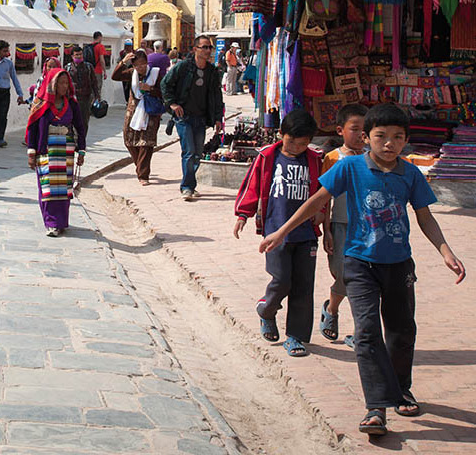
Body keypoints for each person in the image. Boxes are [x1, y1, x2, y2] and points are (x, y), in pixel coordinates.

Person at [261, 103, 465, 438]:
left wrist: (446, 252)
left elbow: (425, 216)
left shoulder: (410, 173)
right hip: (358, 263)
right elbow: (317, 200)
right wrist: (281, 231)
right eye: (381, 136)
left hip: (399, 264)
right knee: (367, 332)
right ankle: (375, 408)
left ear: (405, 141)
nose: (389, 143)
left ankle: (401, 389)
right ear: (366, 138)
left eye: (398, 137)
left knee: (401, 330)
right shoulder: (350, 168)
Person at [234, 109, 324, 358]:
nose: (296, 147)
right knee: (282, 280)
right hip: (275, 231)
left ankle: (296, 336)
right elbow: (251, 186)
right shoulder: (267, 157)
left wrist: (322, 212)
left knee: (304, 287)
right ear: (281, 134)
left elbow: (323, 191)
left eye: (303, 143)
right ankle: (267, 309)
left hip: (306, 233)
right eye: (292, 141)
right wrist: (243, 214)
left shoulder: (315, 159)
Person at [319, 104, 367, 347]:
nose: (361, 135)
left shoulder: (373, 157)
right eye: (355, 129)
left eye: (365, 130)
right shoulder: (333, 158)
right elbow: (324, 199)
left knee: (363, 278)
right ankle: (332, 309)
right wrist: (326, 230)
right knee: (341, 273)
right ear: (341, 130)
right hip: (340, 224)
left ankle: (362, 332)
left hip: (366, 227)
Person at [26, 68, 87, 237]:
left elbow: (80, 128)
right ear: (52, 84)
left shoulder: (72, 104)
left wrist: (81, 150)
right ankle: (51, 223)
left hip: (65, 150)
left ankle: (61, 222)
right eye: (61, 83)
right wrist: (32, 152)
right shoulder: (41, 103)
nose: (64, 86)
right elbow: (33, 129)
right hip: (46, 150)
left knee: (63, 188)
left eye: (66, 83)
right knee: (48, 187)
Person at [162, 35, 223, 201]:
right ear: (195, 49)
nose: (208, 50)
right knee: (188, 152)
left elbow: (217, 96)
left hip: (201, 118)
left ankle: (190, 183)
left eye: (210, 47)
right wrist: (172, 104)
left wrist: (218, 118)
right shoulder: (183, 67)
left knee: (197, 153)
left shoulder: (211, 71)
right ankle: (187, 187)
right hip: (184, 117)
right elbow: (165, 84)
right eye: (204, 47)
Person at [111, 50, 162, 186]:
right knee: (129, 139)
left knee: (146, 142)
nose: (141, 68)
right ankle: (140, 166)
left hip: (150, 112)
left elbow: (164, 92)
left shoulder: (156, 74)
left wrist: (150, 89)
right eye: (137, 65)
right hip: (133, 111)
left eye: (143, 64)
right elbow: (115, 76)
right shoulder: (132, 74)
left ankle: (143, 175)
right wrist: (123, 61)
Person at [66, 45, 97, 126]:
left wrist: (97, 96)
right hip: (72, 98)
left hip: (85, 98)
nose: (79, 56)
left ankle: (82, 137)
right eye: (77, 55)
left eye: (80, 54)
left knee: (84, 121)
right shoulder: (68, 68)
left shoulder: (88, 67)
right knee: (71, 120)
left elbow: (94, 82)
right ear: (72, 56)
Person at [90, 31, 107, 102]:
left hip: (90, 70)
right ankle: (96, 106)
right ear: (99, 37)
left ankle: (89, 107)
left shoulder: (89, 46)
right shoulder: (100, 46)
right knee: (97, 89)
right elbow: (102, 60)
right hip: (97, 71)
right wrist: (105, 71)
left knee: (90, 89)